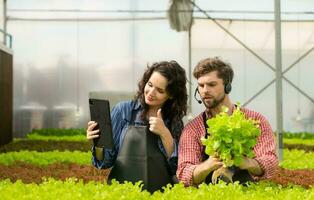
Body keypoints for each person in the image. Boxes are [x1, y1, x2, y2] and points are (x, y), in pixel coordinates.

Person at [86, 60, 188, 192]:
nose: (151, 92)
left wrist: (164, 133)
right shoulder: (123, 111)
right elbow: (105, 162)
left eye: (160, 90)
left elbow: (177, 169)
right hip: (123, 193)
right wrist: (98, 142)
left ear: (171, 95)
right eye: (150, 85)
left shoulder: (174, 120)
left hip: (160, 194)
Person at [177, 57, 278, 186]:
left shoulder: (255, 121)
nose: (205, 90)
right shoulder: (193, 129)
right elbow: (184, 173)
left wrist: (247, 163)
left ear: (227, 86)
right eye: (201, 85)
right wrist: (208, 165)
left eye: (211, 84)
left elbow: (271, 161)